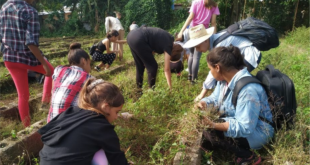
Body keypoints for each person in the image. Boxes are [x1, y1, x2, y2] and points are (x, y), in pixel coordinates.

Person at [196, 46, 273, 165]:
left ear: (217, 68)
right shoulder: (224, 81)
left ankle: (248, 157)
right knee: (208, 131)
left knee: (210, 132)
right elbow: (216, 98)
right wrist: (204, 102)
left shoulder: (247, 90)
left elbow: (245, 127)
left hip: (258, 131)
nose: (210, 72)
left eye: (209, 69)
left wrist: (214, 125)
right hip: (243, 123)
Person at [38, 78, 128, 165]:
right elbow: (118, 160)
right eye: (116, 112)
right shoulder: (102, 127)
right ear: (106, 107)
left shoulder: (71, 112)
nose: (116, 117)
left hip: (45, 160)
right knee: (101, 156)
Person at [0, 0, 54, 127]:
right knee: (51, 72)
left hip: (9, 58)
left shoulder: (5, 6)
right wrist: (44, 63)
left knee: (23, 95)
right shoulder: (30, 11)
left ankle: (26, 126)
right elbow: (31, 43)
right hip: (27, 58)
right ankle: (45, 104)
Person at [183, 24, 262, 102]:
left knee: (232, 77)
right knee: (223, 76)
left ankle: (241, 100)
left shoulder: (219, 45)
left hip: (250, 56)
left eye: (198, 46)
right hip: (239, 56)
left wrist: (202, 94)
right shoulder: (214, 41)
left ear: (205, 40)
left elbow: (213, 71)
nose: (197, 50)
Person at [47, 43, 92, 122]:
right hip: (69, 124)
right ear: (84, 61)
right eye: (89, 63)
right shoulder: (88, 78)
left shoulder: (58, 70)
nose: (90, 67)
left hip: (51, 121)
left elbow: (52, 91)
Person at [177, 0, 220, 84]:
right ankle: (194, 79)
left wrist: (181, 31)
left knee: (192, 55)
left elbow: (190, 17)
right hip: (201, 33)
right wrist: (214, 36)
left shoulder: (196, 2)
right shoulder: (214, 5)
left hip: (191, 32)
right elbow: (213, 23)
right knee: (196, 57)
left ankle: (190, 75)